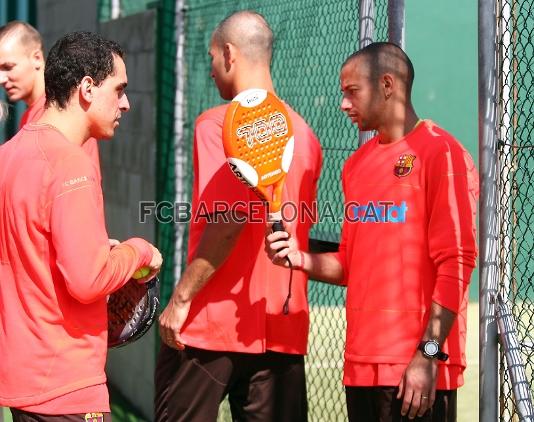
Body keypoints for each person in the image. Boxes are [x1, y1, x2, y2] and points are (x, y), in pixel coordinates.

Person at [266, 42, 478, 422]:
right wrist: (298, 259)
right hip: (360, 366)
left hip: (416, 371)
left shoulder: (440, 152)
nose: (343, 104)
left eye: (352, 92)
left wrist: (427, 355)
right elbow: (350, 265)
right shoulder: (355, 166)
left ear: (386, 85)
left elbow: (457, 260)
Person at [155, 10, 322, 422]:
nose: (210, 70)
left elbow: (228, 222)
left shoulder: (217, 124)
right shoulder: (306, 135)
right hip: (280, 330)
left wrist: (181, 299)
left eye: (212, 58)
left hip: (211, 326)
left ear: (229, 54)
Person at [0, 31, 163, 421]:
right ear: (88, 88)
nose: (125, 104)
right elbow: (88, 280)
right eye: (119, 89)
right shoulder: (72, 164)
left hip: (24, 384)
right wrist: (139, 250)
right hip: (67, 389)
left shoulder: (8, 154)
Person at [0, 21, 101, 181]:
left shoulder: (61, 111)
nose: (1, 78)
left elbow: (73, 184)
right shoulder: (30, 116)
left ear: (37, 58)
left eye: (8, 67)